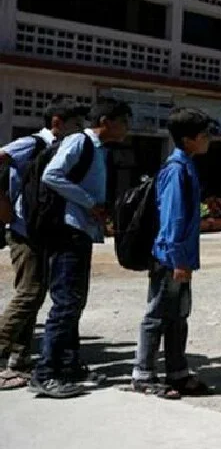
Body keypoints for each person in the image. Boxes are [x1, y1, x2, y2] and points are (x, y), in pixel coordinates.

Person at [31, 99, 131, 399]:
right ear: (105, 120)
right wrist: (90, 203)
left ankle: (69, 364)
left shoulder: (99, 151)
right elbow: (52, 175)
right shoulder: (79, 141)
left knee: (74, 301)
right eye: (123, 120)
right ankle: (45, 373)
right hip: (67, 231)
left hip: (81, 231)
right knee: (65, 302)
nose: (127, 128)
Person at [0, 98, 88, 390]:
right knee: (30, 293)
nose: (80, 130)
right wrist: (3, 205)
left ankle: (20, 359)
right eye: (76, 124)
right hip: (23, 231)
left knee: (36, 295)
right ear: (57, 123)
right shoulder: (33, 143)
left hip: (40, 232)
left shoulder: (62, 148)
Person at [130, 108, 212, 400]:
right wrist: (178, 259)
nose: (208, 140)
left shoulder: (186, 165)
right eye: (204, 135)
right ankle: (143, 374)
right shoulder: (176, 170)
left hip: (180, 259)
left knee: (178, 316)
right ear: (188, 140)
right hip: (170, 259)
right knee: (158, 314)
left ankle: (176, 371)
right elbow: (173, 219)